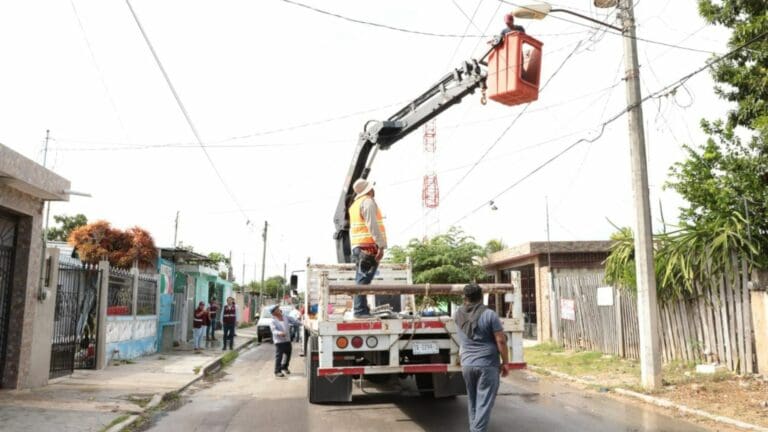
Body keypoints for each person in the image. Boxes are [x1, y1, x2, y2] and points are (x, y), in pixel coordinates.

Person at [454, 284, 511, 432]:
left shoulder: (458, 314)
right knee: (484, 404)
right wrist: (505, 362)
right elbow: (501, 341)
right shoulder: (490, 315)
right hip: (487, 365)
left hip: (467, 364)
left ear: (465, 297)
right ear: (481, 296)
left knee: (473, 402)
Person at [348, 178, 387, 317]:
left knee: (362, 278)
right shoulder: (368, 202)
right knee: (363, 279)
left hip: (359, 246)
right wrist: (381, 246)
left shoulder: (354, 205)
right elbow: (373, 225)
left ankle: (361, 309)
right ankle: (360, 310)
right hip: (368, 246)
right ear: (369, 189)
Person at [269, 305, 300, 378]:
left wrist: (302, 323)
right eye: (277, 309)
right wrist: (280, 333)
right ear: (273, 313)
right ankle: (277, 371)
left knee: (288, 354)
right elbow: (274, 330)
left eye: (278, 308)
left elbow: (294, 321)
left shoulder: (285, 317)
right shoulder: (273, 321)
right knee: (279, 356)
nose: (279, 310)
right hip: (279, 341)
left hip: (287, 340)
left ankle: (284, 367)